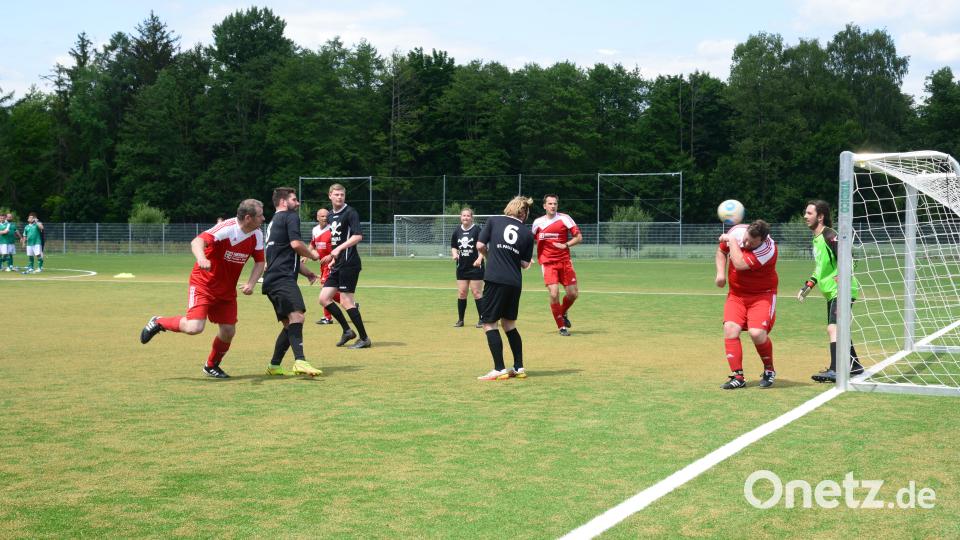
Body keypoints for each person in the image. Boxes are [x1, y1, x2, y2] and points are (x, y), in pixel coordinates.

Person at [139, 199, 267, 378]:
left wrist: (251, 284)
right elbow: (197, 241)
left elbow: (260, 262)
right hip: (204, 284)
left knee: (228, 331)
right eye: (260, 215)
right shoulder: (227, 229)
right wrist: (201, 258)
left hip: (226, 290)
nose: (263, 218)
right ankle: (159, 322)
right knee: (194, 327)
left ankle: (211, 365)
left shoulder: (257, 234)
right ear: (248, 218)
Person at [798, 200, 865, 382]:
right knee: (839, 329)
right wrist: (809, 285)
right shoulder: (817, 239)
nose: (805, 216)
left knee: (833, 328)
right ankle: (854, 365)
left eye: (809, 213)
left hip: (842, 290)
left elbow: (850, 257)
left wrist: (843, 275)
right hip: (831, 292)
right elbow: (820, 267)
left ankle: (835, 369)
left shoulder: (830, 235)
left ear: (820, 216)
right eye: (805, 213)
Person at [261, 187, 324, 376]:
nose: (298, 203)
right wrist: (312, 254)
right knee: (297, 317)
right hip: (282, 279)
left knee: (290, 324)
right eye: (294, 199)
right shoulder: (290, 216)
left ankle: (274, 366)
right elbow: (296, 245)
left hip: (273, 279)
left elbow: (285, 255)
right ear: (283, 202)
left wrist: (308, 273)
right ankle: (300, 361)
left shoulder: (274, 221)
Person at [475, 196, 535, 381]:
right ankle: (519, 367)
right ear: (524, 213)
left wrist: (490, 256)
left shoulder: (494, 220)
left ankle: (499, 368)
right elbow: (525, 264)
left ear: (510, 207)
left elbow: (480, 245)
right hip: (514, 282)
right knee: (509, 324)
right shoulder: (528, 234)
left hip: (495, 279)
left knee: (489, 323)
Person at [715, 220, 779, 389]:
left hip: (762, 295)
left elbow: (739, 264)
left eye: (752, 242)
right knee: (730, 329)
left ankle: (769, 369)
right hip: (737, 295)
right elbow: (721, 251)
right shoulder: (736, 232)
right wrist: (720, 274)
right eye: (746, 239)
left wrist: (732, 241)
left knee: (757, 333)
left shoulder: (768, 249)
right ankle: (738, 377)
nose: (747, 243)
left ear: (762, 240)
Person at [318, 183, 372, 349]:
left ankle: (364, 338)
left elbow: (358, 236)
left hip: (350, 263)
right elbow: (337, 239)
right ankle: (347, 331)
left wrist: (339, 249)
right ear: (330, 196)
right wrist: (334, 258)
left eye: (342, 194)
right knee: (324, 299)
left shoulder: (350, 212)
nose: (339, 197)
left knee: (346, 301)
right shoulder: (331, 216)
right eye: (336, 194)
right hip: (339, 263)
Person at [531, 194, 582, 336]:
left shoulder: (565, 218)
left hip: (565, 262)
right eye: (550, 203)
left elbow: (579, 237)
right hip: (548, 263)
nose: (553, 206)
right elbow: (530, 241)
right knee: (554, 293)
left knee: (573, 294)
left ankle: (563, 312)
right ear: (544, 206)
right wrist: (527, 256)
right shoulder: (537, 223)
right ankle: (561, 327)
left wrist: (565, 245)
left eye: (555, 203)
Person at [451, 207, 484, 328]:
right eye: (463, 215)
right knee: (462, 293)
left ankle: (482, 319)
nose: (465, 218)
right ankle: (460, 320)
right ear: (461, 217)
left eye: (468, 216)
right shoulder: (457, 231)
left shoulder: (477, 230)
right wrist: (454, 254)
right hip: (462, 267)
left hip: (476, 267)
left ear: (471, 218)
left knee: (476, 292)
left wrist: (479, 259)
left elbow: (483, 246)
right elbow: (454, 246)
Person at [309, 208, 339, 325]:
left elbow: (338, 247)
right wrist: (308, 255)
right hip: (322, 265)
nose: (325, 218)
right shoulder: (315, 230)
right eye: (322, 216)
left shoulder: (333, 230)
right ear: (317, 218)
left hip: (331, 264)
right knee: (328, 292)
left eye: (327, 216)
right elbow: (312, 245)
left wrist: (330, 256)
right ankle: (350, 303)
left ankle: (327, 318)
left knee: (325, 290)